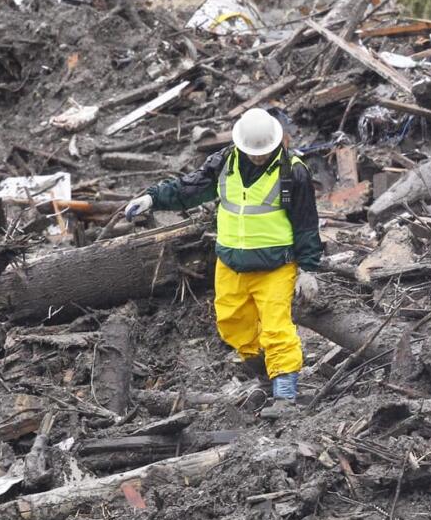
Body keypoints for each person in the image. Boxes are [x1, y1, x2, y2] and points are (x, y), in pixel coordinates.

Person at [124, 107, 323, 414]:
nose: (258, 157)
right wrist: (152, 197)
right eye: (252, 152)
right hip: (231, 264)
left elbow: (306, 223)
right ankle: (266, 380)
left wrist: (308, 269)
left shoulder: (292, 172)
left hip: (275, 266)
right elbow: (188, 189)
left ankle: (285, 396)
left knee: (276, 328)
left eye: (263, 152)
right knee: (233, 325)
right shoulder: (223, 163)